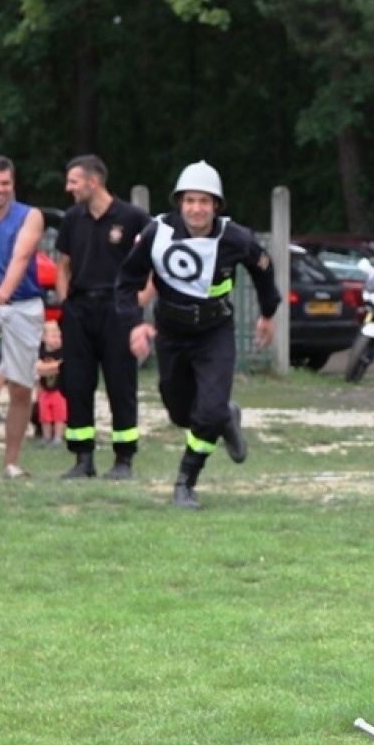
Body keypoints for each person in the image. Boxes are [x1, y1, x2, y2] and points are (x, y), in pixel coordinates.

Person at [122, 161, 278, 509]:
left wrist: (268, 313)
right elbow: (126, 281)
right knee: (182, 414)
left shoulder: (235, 237)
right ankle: (225, 416)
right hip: (171, 332)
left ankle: (185, 482)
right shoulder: (156, 233)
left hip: (214, 332)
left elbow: (264, 269)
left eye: (204, 201)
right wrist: (134, 323)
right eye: (190, 200)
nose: (196, 209)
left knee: (206, 413)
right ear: (180, 202)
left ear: (216, 205)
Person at [56, 155, 153, 481]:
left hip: (118, 310)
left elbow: (156, 262)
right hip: (80, 309)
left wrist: (140, 299)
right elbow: (63, 265)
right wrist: (65, 303)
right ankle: (83, 458)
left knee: (121, 385)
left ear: (93, 182)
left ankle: (124, 459)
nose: (68, 188)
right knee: (77, 384)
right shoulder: (72, 219)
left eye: (73, 181)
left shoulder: (133, 218)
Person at [0, 154, 48, 479]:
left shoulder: (29, 216)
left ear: (13, 184)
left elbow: (22, 256)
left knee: (20, 389)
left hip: (23, 302)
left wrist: (4, 291)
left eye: (5, 183)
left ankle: (10, 463)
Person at [34, 319, 66, 445]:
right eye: (53, 336)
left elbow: (63, 366)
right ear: (43, 338)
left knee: (59, 415)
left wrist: (45, 368)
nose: (57, 339)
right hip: (45, 390)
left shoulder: (63, 352)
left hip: (60, 390)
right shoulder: (40, 352)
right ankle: (46, 436)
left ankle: (58, 437)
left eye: (59, 336)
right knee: (44, 416)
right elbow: (37, 368)